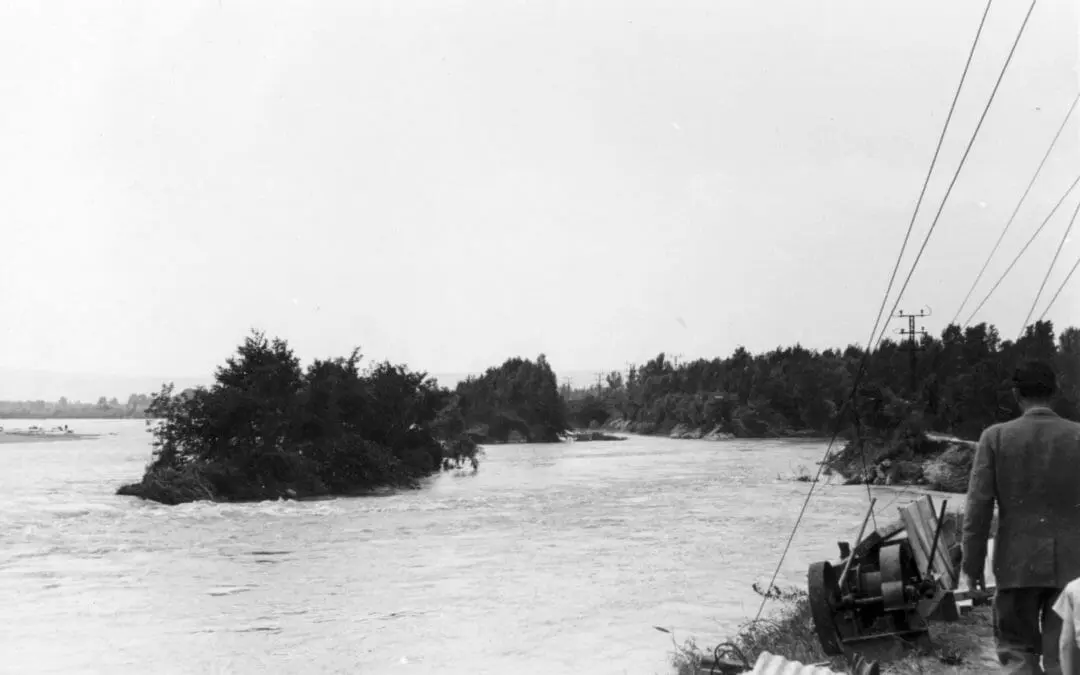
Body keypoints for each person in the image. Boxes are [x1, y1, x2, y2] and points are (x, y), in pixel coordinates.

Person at [962, 359, 1080, 675]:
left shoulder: (995, 438)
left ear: (1016, 394)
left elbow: (978, 509)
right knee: (1064, 657)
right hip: (1073, 568)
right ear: (1055, 392)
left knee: (1017, 654)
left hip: (1016, 566)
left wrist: (972, 566)